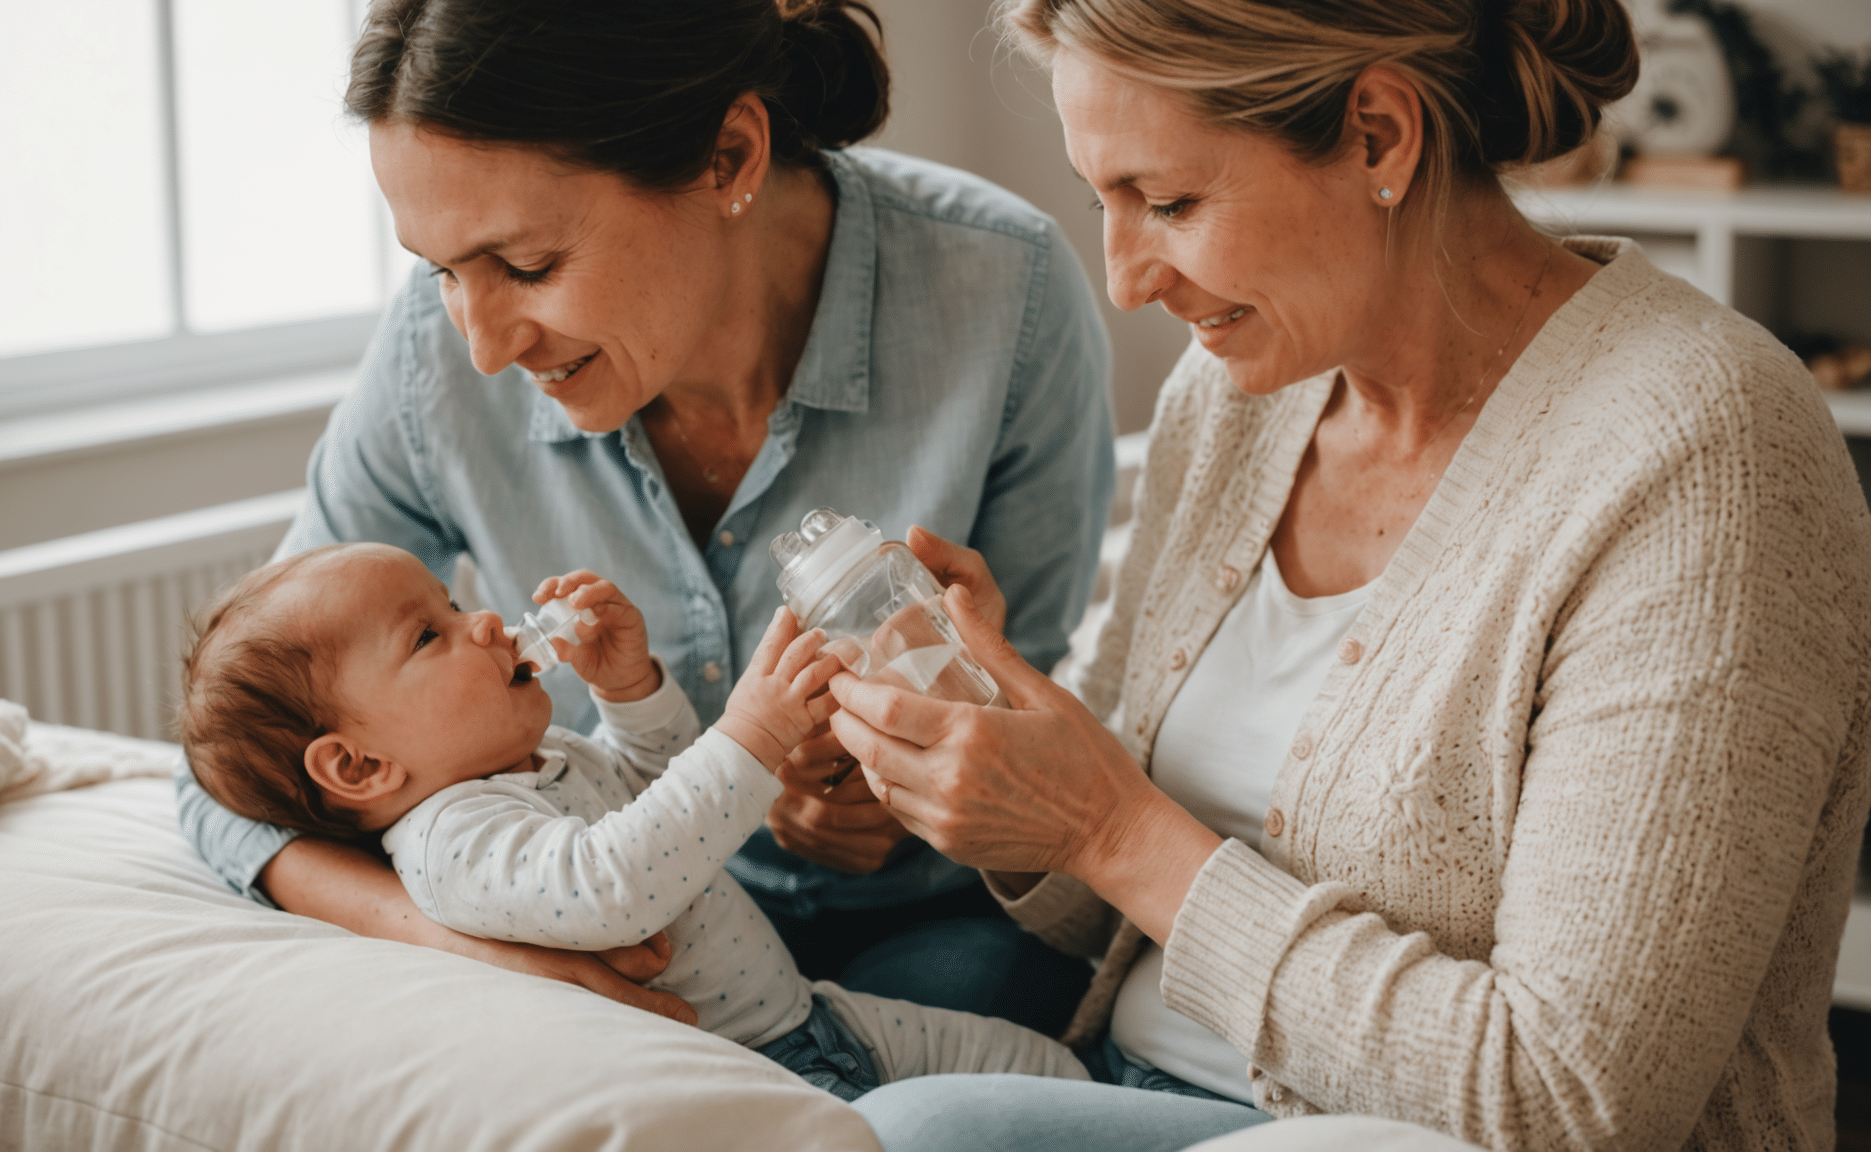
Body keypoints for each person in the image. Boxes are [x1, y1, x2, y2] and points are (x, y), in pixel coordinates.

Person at [826, 0, 1871, 1149]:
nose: (1125, 281)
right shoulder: (1233, 400)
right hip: (1137, 1087)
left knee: (912, 1134)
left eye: (1169, 202)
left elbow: (1571, 1102)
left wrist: (1104, 828)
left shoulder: (1704, 453)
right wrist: (995, 752)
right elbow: (1108, 897)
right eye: (1103, 202)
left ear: (1379, 135)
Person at [172, 0, 1114, 1037]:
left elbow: (1025, 716)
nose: (482, 347)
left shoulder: (1004, 292)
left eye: (527, 265)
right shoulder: (430, 361)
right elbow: (238, 752)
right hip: (620, 944)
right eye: (442, 271)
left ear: (727, 155)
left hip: (926, 929)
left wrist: (900, 801)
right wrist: (449, 937)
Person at [177, 543, 1089, 1099]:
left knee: (1055, 1074)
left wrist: (630, 691)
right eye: (430, 635)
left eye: (453, 605)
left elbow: (658, 791)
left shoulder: (533, 762)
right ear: (359, 765)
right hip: (754, 1069)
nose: (487, 622)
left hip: (818, 1016)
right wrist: (756, 730)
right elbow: (616, 884)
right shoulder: (452, 843)